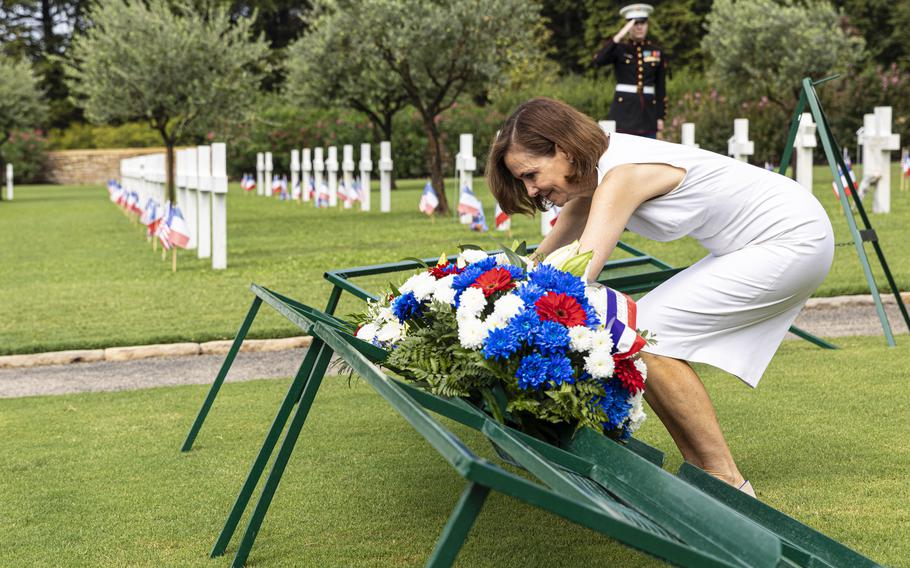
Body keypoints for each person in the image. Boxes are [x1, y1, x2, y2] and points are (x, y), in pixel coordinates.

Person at [486, 98, 835, 496]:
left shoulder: (621, 176)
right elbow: (541, 262)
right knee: (643, 334)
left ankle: (728, 483)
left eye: (531, 174)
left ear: (563, 150)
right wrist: (496, 291)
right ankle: (702, 474)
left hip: (791, 236)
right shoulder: (597, 176)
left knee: (643, 334)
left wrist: (515, 313)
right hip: (761, 240)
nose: (531, 189)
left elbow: (579, 274)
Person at [592, 3, 666, 138]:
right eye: (635, 23)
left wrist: (660, 116)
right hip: (623, 113)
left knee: (649, 156)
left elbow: (661, 87)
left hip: (648, 115)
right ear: (628, 26)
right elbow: (598, 60)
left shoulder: (656, 51)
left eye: (642, 23)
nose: (639, 27)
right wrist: (619, 35)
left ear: (647, 25)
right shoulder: (620, 49)